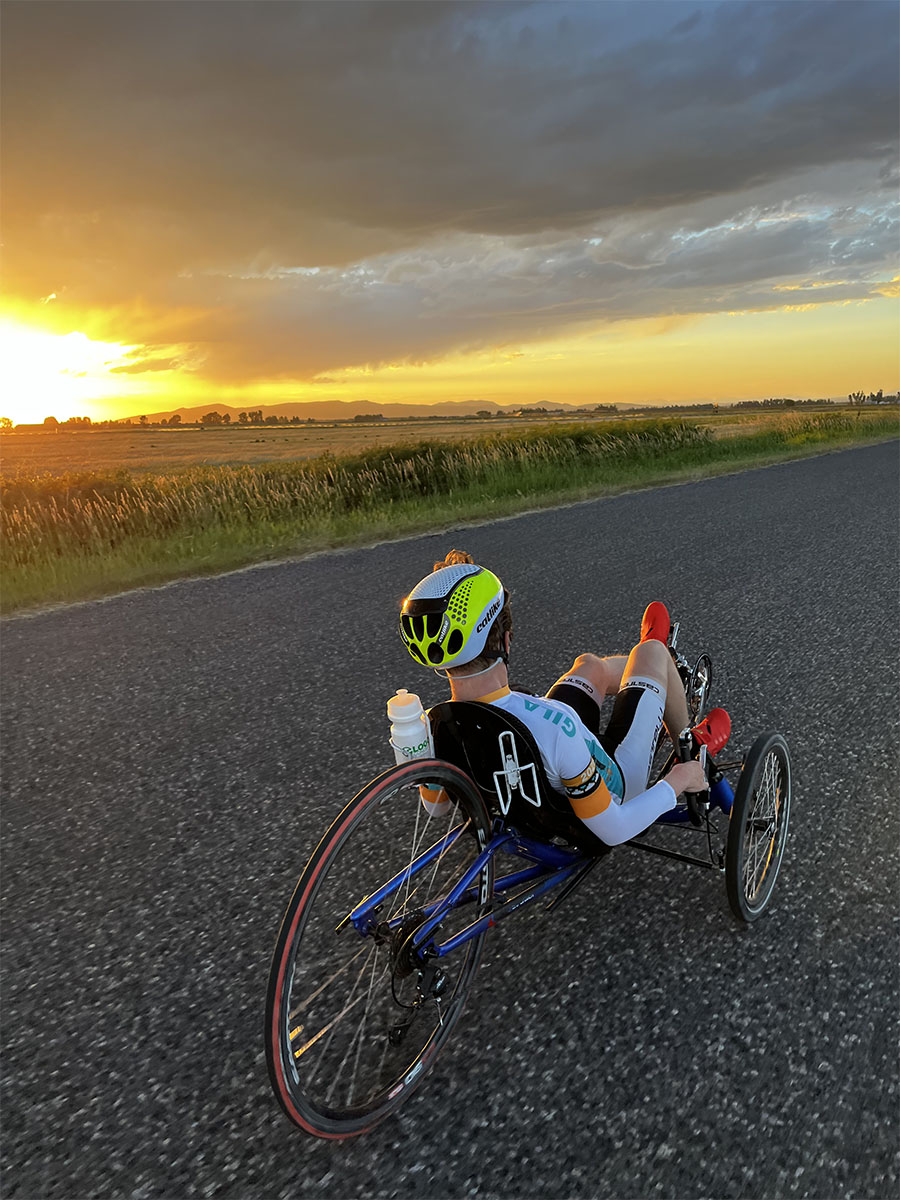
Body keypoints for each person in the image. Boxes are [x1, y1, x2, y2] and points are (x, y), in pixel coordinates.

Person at [398, 549, 731, 846]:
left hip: (533, 754)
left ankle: (647, 670)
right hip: (613, 789)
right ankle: (689, 741)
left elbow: (436, 806)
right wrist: (677, 780)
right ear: (507, 641)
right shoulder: (557, 729)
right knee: (655, 652)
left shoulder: (435, 724)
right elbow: (615, 829)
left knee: (589, 666)